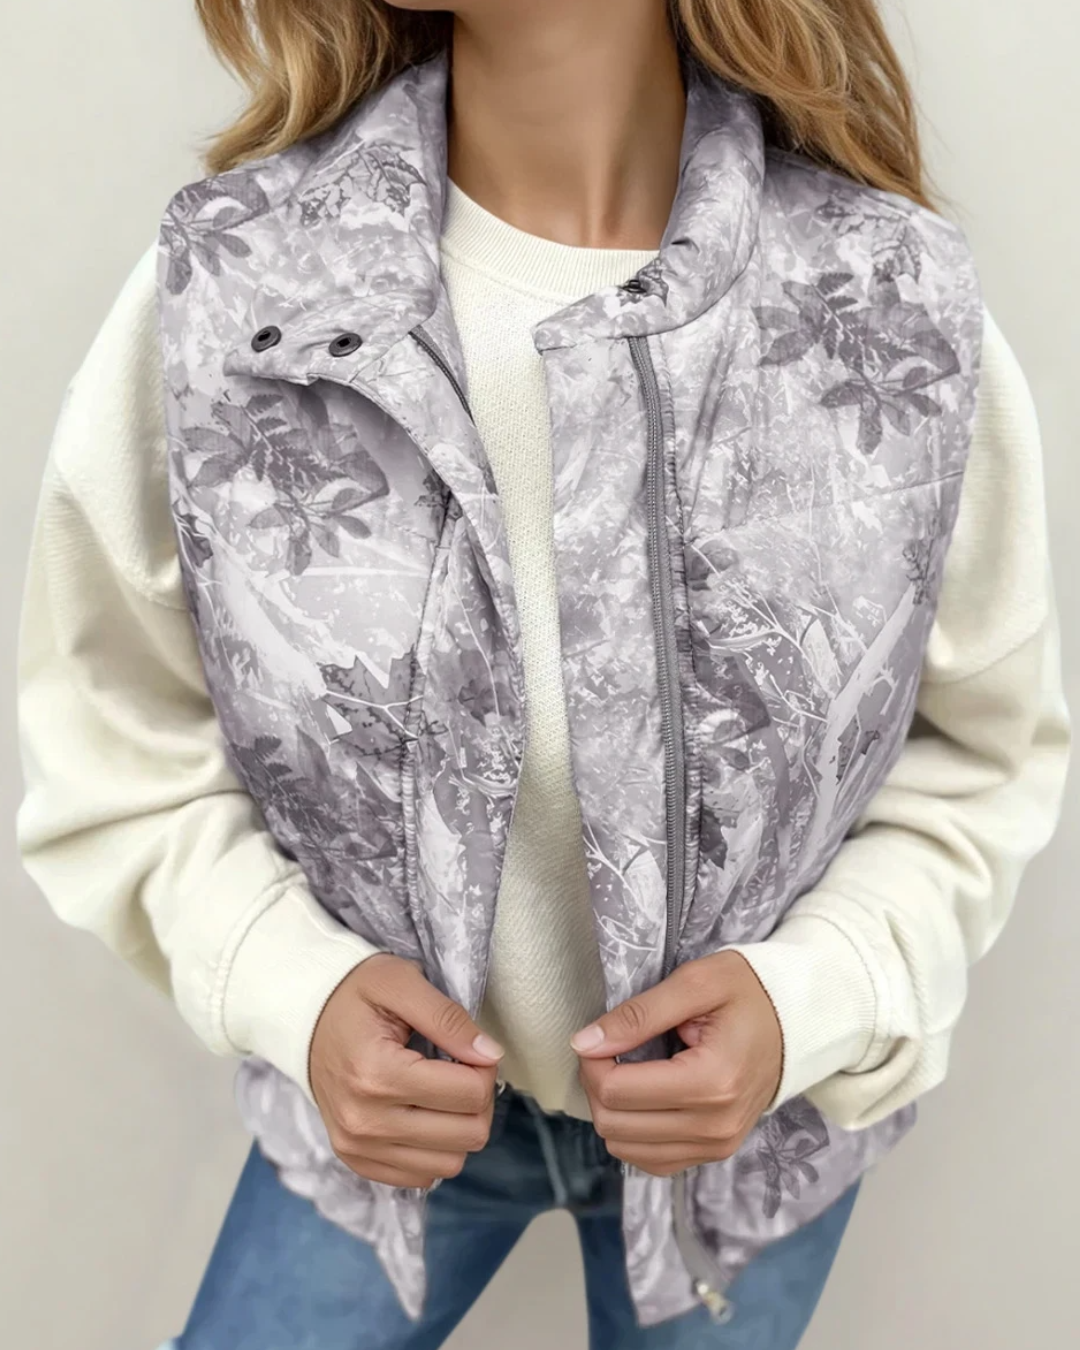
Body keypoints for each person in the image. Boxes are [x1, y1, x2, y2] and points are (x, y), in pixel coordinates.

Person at [15, 1, 1069, 1347]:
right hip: (375, 1132)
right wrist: (298, 992)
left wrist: (810, 998)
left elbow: (981, 756)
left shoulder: (891, 308)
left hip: (755, 1140)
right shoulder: (239, 291)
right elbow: (114, 737)